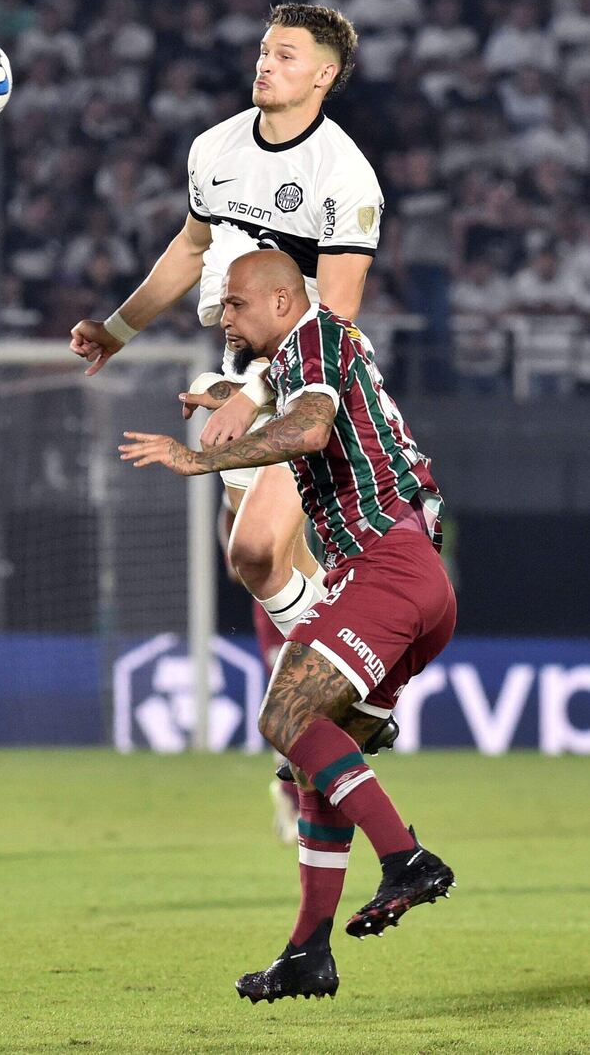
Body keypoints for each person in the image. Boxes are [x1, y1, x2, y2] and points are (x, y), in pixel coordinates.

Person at [120, 250, 457, 1005]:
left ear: (281, 300)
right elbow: (301, 406)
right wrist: (232, 395)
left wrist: (197, 460)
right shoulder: (317, 353)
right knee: (312, 768)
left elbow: (309, 429)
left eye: (235, 306)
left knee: (285, 711)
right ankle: (307, 951)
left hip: (385, 568)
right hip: (415, 580)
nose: (226, 319)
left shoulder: (314, 337)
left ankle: (406, 858)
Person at [70, 1, 384, 654]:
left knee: (260, 547)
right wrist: (116, 330)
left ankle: (341, 672)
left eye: (285, 56)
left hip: (316, 382)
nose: (266, 63)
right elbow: (189, 249)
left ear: (323, 76)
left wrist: (252, 394)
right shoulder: (215, 147)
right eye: (265, 51)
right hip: (243, 367)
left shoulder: (344, 175)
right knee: (254, 556)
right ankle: (335, 661)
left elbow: (339, 311)